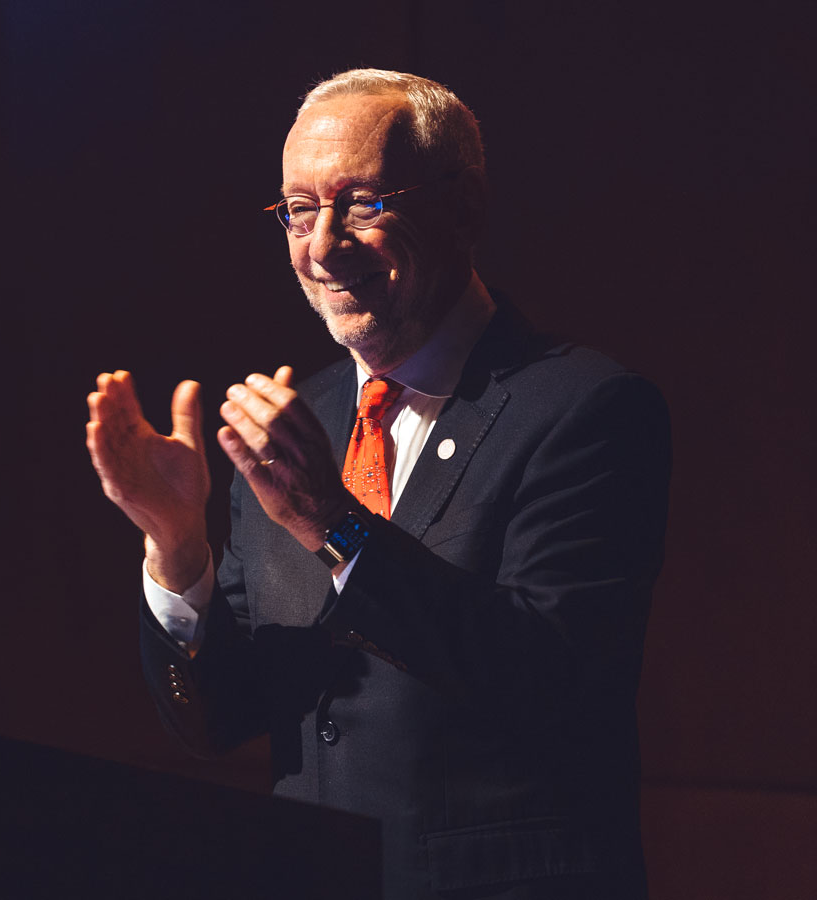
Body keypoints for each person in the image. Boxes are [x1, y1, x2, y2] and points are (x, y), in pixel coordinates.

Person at [85, 69, 669, 900]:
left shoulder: (586, 409)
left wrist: (333, 520)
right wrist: (178, 549)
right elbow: (219, 718)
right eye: (297, 207)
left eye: (362, 202)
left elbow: (552, 677)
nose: (321, 245)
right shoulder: (296, 423)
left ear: (462, 207)